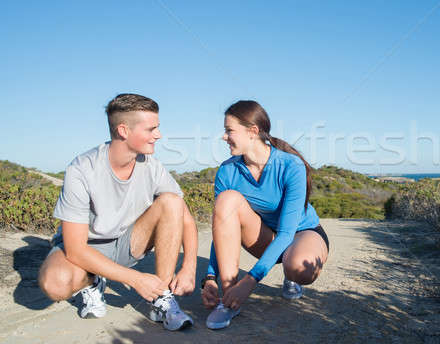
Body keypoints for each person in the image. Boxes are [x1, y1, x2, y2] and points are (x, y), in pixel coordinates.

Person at [38, 93, 196, 331]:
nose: (159, 135)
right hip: (86, 248)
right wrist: (135, 279)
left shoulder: (152, 166)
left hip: (126, 243)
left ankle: (160, 299)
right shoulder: (82, 169)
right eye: (152, 129)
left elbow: (185, 218)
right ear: (123, 130)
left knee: (172, 201)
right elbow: (75, 249)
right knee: (55, 284)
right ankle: (92, 281)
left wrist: (189, 267)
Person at [201, 100, 330, 329]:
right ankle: (230, 299)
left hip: (301, 233)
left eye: (229, 130)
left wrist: (250, 281)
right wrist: (210, 278)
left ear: (252, 132)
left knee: (299, 267)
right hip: (265, 235)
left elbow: (287, 232)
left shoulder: (291, 165)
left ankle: (290, 276)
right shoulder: (228, 170)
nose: (223, 137)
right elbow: (221, 229)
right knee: (227, 199)